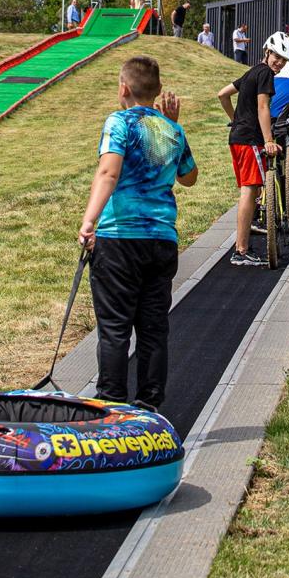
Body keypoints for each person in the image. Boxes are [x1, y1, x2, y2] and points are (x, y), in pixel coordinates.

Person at [78, 55, 197, 408]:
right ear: (159, 90)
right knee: (153, 329)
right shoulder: (172, 130)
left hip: (120, 239)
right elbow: (189, 177)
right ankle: (149, 405)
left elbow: (108, 173)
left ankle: (112, 405)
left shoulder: (119, 122)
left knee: (114, 328)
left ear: (123, 89)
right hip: (161, 239)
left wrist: (89, 221)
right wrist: (170, 126)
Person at [217, 32, 289, 266]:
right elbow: (263, 106)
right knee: (249, 193)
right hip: (250, 140)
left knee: (248, 191)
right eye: (276, 56)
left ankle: (241, 248)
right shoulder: (265, 75)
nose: (279, 63)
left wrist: (236, 119)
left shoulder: (251, 71)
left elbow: (223, 94)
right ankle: (240, 250)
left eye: (283, 60)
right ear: (267, 52)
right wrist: (269, 139)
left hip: (237, 138)